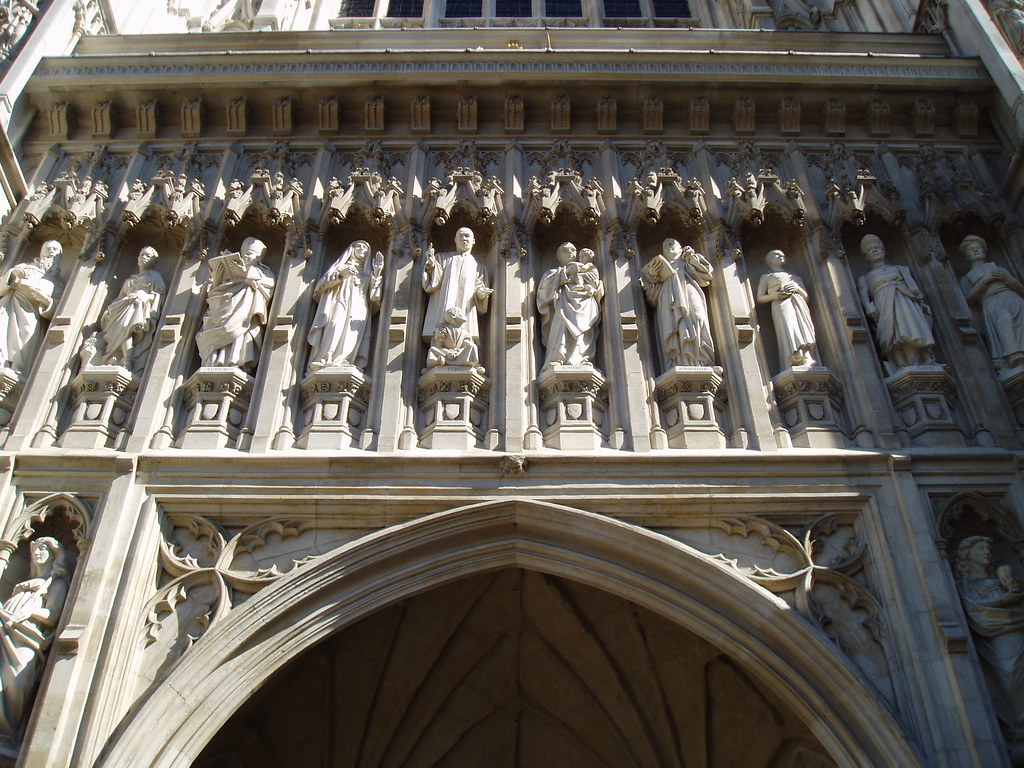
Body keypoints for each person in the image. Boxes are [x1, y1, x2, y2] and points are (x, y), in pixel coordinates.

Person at [955, 535, 1024, 740]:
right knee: (1009, 670)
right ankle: (1018, 720)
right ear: (968, 555)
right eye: (980, 548)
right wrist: (1004, 602)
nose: (986, 551)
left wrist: (1012, 590)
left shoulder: (1002, 579)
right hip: (996, 634)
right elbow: (975, 610)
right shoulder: (966, 586)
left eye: (988, 547)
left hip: (1016, 630)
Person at [0, 537, 69, 740]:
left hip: (29, 640)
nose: (37, 553)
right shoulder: (24, 584)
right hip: (7, 632)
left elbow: (54, 615)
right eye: (35, 549)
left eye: (43, 549)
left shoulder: (56, 583)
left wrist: (31, 613)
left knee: (17, 684)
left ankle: (8, 734)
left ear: (53, 554)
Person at [195, 237, 276, 371]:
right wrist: (217, 277)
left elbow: (267, 288)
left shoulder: (264, 273)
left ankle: (235, 362)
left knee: (238, 333)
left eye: (249, 255)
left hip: (243, 315)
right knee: (218, 329)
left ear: (258, 258)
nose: (245, 257)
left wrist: (245, 274)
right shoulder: (233, 272)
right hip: (223, 311)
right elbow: (215, 293)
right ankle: (214, 362)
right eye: (244, 255)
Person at [857, 234, 935, 372]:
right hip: (884, 305)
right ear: (866, 257)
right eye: (870, 250)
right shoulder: (865, 278)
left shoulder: (899, 269)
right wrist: (869, 306)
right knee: (892, 333)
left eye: (877, 248)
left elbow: (914, 290)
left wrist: (919, 300)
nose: (874, 251)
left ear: (883, 251)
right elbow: (864, 297)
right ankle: (901, 363)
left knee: (911, 326)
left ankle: (924, 357)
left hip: (904, 301)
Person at [307, 241, 384, 373]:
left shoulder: (367, 274)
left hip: (359, 307)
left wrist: (377, 272)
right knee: (335, 324)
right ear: (351, 249)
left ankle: (346, 360)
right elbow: (319, 288)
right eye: (359, 246)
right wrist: (342, 275)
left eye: (365, 248)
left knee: (352, 335)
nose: (362, 249)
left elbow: (374, 298)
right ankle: (326, 359)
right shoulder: (340, 268)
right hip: (340, 301)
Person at [643, 238, 715, 368]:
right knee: (672, 328)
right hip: (668, 299)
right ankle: (678, 361)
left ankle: (701, 360)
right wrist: (653, 277)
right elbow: (652, 298)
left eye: (672, 243)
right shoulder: (660, 271)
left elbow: (706, 276)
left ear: (681, 248)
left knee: (698, 317)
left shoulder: (688, 260)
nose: (669, 246)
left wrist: (691, 258)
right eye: (665, 245)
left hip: (688, 291)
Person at [959, 235, 1024, 372]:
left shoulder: (1000, 269)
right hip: (992, 303)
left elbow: (1020, 290)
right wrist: (984, 281)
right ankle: (1014, 359)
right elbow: (968, 299)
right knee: (1004, 320)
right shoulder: (966, 278)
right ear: (966, 256)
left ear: (984, 251)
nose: (976, 250)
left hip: (1013, 299)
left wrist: (1008, 280)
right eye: (972, 249)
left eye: (978, 248)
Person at [96, 246, 166, 370]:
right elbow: (120, 297)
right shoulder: (130, 280)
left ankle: (128, 360)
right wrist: (110, 309)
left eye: (148, 256)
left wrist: (145, 297)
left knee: (126, 329)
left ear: (154, 261)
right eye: (142, 255)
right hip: (124, 306)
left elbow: (159, 295)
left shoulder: (155, 277)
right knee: (120, 330)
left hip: (138, 307)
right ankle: (116, 356)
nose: (143, 258)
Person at [537, 242, 604, 370]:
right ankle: (557, 358)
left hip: (585, 304)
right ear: (559, 256)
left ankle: (581, 358)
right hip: (563, 304)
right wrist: (567, 272)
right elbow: (544, 291)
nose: (570, 253)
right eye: (566, 251)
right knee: (561, 328)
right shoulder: (552, 273)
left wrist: (591, 284)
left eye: (573, 250)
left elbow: (597, 285)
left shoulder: (586, 268)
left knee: (584, 329)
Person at [0, 241, 64, 374]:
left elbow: (58, 308)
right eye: (48, 248)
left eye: (55, 250)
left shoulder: (57, 283)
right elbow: (3, 285)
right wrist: (13, 277)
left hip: (32, 315)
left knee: (27, 335)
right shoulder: (24, 267)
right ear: (41, 252)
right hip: (12, 306)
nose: (51, 251)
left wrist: (45, 300)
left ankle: (18, 370)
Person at [421, 227, 492, 345]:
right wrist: (431, 265)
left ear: (473, 241)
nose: (464, 239)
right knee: (440, 336)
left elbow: (479, 288)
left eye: (467, 236)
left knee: (466, 336)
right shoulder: (443, 258)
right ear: (455, 240)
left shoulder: (478, 268)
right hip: (444, 307)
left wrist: (482, 294)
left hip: (466, 309)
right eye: (461, 236)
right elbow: (433, 281)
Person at [757, 249, 817, 368]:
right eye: (776, 255)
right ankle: (793, 358)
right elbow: (760, 297)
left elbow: (806, 297)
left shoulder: (794, 277)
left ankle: (806, 357)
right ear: (769, 261)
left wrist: (797, 288)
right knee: (788, 327)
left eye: (782, 254)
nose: (781, 256)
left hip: (798, 304)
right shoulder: (767, 277)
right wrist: (774, 296)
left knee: (802, 327)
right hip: (781, 304)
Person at [424, 306, 482, 372]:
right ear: (454, 315)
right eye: (462, 313)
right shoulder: (443, 330)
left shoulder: (465, 333)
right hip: (446, 354)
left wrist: (457, 352)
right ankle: (438, 362)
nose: (465, 314)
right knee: (432, 350)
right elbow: (439, 346)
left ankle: (472, 364)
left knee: (473, 347)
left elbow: (466, 346)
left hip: (458, 354)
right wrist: (448, 352)